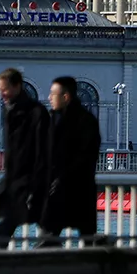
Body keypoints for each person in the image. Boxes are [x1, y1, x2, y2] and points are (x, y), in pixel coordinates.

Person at [0, 69, 46, 249]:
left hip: (27, 182)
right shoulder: (11, 109)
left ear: (17, 86)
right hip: (17, 182)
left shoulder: (34, 112)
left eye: (4, 89)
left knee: (2, 231)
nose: (1, 93)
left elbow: (42, 151)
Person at [40, 77, 102, 244]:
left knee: (48, 240)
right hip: (74, 191)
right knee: (85, 239)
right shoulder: (57, 120)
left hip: (71, 189)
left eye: (53, 94)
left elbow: (85, 156)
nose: (49, 98)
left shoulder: (80, 121)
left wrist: (58, 178)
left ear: (66, 97)